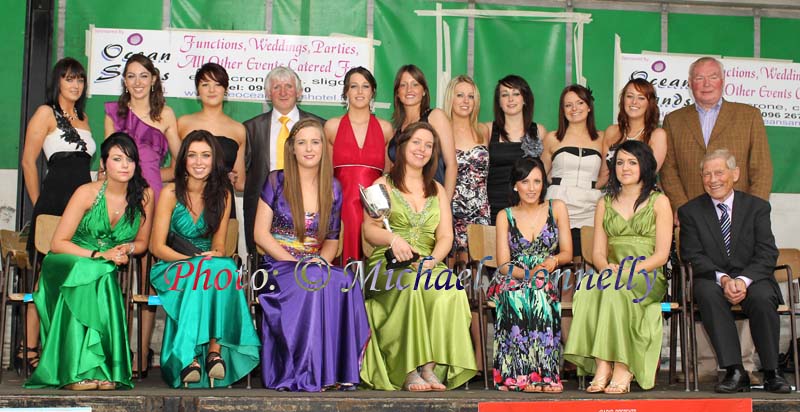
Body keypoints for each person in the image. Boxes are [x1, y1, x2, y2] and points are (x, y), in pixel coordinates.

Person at [662, 56, 772, 382]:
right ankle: (713, 368)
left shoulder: (748, 115)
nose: (706, 83)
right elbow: (668, 172)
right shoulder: (674, 119)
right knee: (705, 288)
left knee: (753, 290)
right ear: (690, 83)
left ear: (723, 81)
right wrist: (684, 212)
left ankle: (750, 367)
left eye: (712, 77)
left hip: (742, 226)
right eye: (698, 78)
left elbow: (762, 169)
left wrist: (752, 214)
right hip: (696, 225)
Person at [25, 133, 153, 390]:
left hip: (102, 265)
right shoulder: (86, 193)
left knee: (101, 274)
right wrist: (98, 255)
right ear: (104, 164)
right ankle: (75, 370)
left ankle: (102, 370)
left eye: (130, 159)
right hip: (66, 262)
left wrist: (125, 248)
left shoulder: (145, 196)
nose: (125, 165)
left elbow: (142, 244)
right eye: (117, 159)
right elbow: (58, 243)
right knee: (93, 270)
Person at [360, 122, 477, 391]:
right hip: (388, 263)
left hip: (426, 261)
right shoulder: (383, 185)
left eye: (428, 145)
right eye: (416, 142)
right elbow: (369, 230)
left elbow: (446, 236)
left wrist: (433, 260)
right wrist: (393, 239)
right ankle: (408, 369)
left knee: (451, 289)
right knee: (410, 285)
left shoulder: (438, 190)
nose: (422, 149)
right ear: (402, 146)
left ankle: (429, 367)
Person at [255, 119, 370, 391]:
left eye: (315, 142)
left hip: (314, 264)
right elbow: (260, 235)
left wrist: (321, 260)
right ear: (292, 148)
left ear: (323, 148)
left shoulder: (333, 187)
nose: (309, 148)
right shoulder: (276, 180)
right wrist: (296, 264)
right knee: (311, 280)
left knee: (344, 281)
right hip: (278, 265)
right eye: (302, 142)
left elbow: (332, 241)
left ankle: (336, 372)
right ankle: (306, 373)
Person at [149, 131, 260, 388]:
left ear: (215, 161)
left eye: (206, 156)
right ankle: (192, 355)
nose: (199, 162)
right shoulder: (170, 193)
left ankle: (212, 352)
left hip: (207, 266)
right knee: (209, 271)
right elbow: (157, 247)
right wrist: (192, 262)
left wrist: (215, 256)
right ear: (184, 160)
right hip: (171, 264)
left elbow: (220, 246)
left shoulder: (223, 194)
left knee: (226, 269)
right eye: (192, 155)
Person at [678, 149, 790, 394]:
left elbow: (767, 252)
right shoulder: (690, 212)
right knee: (707, 293)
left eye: (719, 172)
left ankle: (772, 372)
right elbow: (691, 254)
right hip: (712, 277)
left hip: (752, 277)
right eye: (706, 174)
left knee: (762, 297)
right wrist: (725, 279)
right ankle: (735, 371)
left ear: (735, 174)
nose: (713, 179)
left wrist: (742, 280)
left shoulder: (757, 207)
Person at [564, 140, 671, 393]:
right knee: (588, 289)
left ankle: (623, 365)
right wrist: (606, 268)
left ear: (645, 166)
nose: (625, 168)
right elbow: (598, 252)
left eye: (632, 162)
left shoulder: (659, 201)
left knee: (614, 289)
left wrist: (630, 271)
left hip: (646, 273)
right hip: (612, 271)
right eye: (620, 162)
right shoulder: (605, 202)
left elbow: (662, 255)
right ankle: (602, 364)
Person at [104, 54, 181, 376]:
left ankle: (142, 353)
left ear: (153, 79)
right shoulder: (113, 112)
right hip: (119, 199)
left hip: (154, 201)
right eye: (131, 76)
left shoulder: (165, 114)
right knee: (116, 277)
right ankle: (118, 349)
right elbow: (105, 159)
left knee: (148, 280)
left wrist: (150, 176)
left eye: (143, 76)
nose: (137, 82)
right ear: (124, 81)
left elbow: (180, 163)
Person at [19, 57, 96, 374]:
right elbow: (27, 162)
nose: (75, 84)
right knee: (44, 280)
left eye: (79, 79)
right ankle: (29, 349)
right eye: (68, 78)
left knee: (74, 278)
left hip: (81, 209)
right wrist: (39, 206)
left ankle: (63, 348)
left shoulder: (85, 117)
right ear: (57, 82)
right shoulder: (44, 113)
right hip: (52, 206)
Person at [490, 157, 572, 392]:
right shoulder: (505, 215)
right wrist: (526, 275)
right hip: (513, 274)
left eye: (537, 181)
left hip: (547, 272)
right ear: (515, 185)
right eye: (525, 181)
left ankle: (544, 375)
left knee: (539, 292)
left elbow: (567, 252)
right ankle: (518, 376)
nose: (532, 188)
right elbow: (503, 264)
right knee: (513, 295)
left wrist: (552, 261)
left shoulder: (556, 208)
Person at [243, 66, 324, 254]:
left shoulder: (320, 126)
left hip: (307, 210)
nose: (283, 92)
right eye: (276, 87)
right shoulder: (251, 128)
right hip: (262, 210)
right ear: (268, 94)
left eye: (288, 86)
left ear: (299, 91)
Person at [324, 67, 393, 263]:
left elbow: (388, 175)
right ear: (346, 91)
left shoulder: (385, 129)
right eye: (354, 86)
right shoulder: (332, 127)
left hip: (375, 212)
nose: (360, 92)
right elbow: (326, 175)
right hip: (340, 207)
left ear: (373, 92)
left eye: (365, 86)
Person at [542, 84, 605, 260]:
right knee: (557, 263)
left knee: (585, 262)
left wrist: (587, 189)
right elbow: (540, 174)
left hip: (590, 209)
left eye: (580, 103)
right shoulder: (552, 138)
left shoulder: (602, 138)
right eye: (568, 105)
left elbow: (606, 174)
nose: (574, 109)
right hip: (558, 206)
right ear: (562, 110)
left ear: (589, 106)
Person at [177, 62, 247, 218]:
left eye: (217, 84)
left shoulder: (238, 129)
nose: (211, 90)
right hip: (187, 204)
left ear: (226, 89)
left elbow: (240, 182)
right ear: (197, 90)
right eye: (205, 84)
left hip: (223, 204)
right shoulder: (182, 124)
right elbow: (176, 168)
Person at [386, 64, 457, 199]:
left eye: (415, 84)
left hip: (433, 202)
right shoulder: (396, 131)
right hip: (403, 206)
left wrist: (445, 205)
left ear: (424, 91)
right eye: (403, 85)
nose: (409, 89)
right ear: (397, 94)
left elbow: (452, 164)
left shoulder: (435, 117)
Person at [484, 75, 547, 224]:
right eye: (505, 95)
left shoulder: (539, 131)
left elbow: (544, 172)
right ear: (499, 102)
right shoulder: (487, 130)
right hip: (494, 207)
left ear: (525, 99)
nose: (510, 99)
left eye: (516, 94)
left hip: (527, 208)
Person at [443, 75, 490, 262]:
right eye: (460, 95)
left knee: (477, 270)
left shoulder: (483, 130)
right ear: (450, 98)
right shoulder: (442, 129)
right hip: (451, 208)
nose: (465, 101)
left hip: (480, 210)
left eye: (471, 96)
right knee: (451, 270)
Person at [600, 78, 667, 185]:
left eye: (641, 98)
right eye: (629, 96)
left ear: (649, 103)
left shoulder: (657, 135)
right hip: (611, 198)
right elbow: (604, 175)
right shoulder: (611, 131)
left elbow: (648, 176)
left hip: (642, 198)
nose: (634, 102)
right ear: (623, 100)